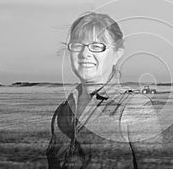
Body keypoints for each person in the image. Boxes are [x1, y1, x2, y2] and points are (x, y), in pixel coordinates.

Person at [46, 12, 163, 169]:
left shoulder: (134, 107)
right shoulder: (63, 110)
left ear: (117, 55)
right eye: (78, 45)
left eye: (97, 46)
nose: (85, 53)